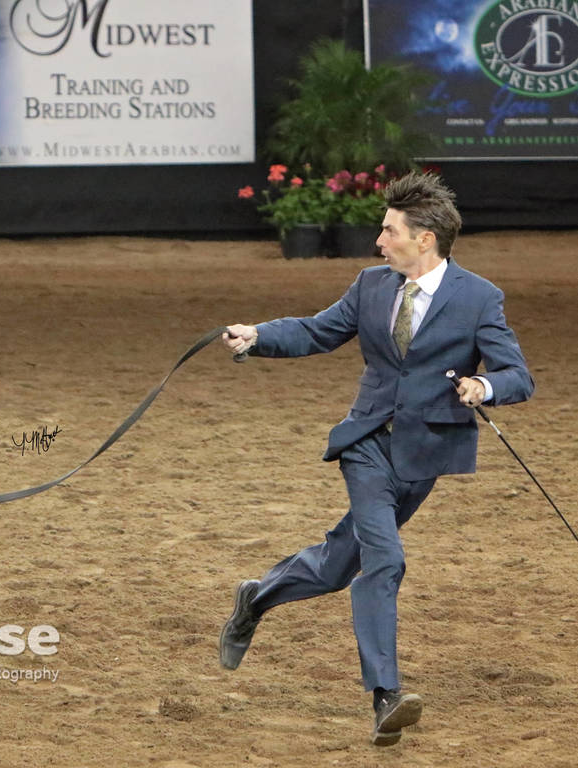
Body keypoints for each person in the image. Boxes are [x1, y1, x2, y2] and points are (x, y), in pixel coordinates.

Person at [218, 172, 533, 747]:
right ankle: (386, 696)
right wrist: (258, 335)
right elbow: (318, 331)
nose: (379, 242)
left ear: (426, 239)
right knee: (384, 561)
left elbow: (518, 375)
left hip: (424, 455)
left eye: (388, 232)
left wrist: (483, 388)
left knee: (339, 565)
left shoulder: (479, 297)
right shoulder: (370, 285)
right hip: (365, 444)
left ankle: (256, 597)